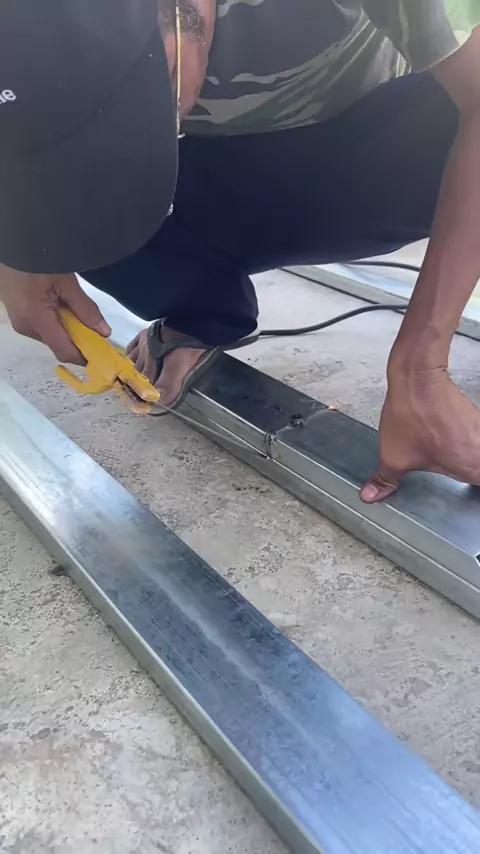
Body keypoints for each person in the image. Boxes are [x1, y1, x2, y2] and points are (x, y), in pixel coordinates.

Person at [1, 1, 480, 504]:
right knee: (72, 221)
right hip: (203, 175)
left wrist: (421, 366)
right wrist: (21, 249)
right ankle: (201, 311)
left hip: (369, 155)